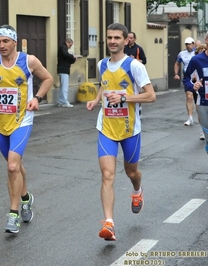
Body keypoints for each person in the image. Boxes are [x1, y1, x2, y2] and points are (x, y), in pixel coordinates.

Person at [0, 24, 53, 234]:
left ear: (14, 42)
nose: (1, 45)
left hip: (22, 120)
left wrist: (37, 98)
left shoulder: (29, 61)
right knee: (14, 165)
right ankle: (26, 198)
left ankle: (13, 214)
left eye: (5, 41)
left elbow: (48, 79)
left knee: (12, 166)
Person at [86, 23, 156, 241]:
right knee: (107, 174)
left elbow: (151, 95)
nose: (112, 41)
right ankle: (109, 223)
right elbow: (104, 84)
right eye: (109, 37)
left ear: (126, 40)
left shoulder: (135, 66)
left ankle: (137, 191)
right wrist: (97, 99)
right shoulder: (101, 64)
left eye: (117, 37)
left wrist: (125, 98)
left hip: (129, 128)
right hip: (106, 126)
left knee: (131, 172)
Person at [184, 32, 208, 148]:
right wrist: (192, 86)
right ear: (206, 40)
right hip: (203, 103)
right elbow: (186, 78)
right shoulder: (196, 60)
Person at [174, 37, 196, 126]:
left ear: (193, 44)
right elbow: (177, 63)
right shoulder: (182, 54)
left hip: (198, 78)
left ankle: (203, 120)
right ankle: (190, 118)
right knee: (189, 96)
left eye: (189, 44)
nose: (188, 46)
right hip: (187, 78)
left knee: (199, 100)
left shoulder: (198, 52)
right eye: (186, 44)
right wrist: (176, 73)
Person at [57, 38, 76, 107]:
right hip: (64, 70)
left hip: (62, 69)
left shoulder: (63, 48)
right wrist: (72, 56)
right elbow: (66, 55)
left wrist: (72, 59)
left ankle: (61, 101)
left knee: (62, 87)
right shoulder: (63, 47)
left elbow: (67, 58)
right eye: (70, 45)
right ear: (67, 42)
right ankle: (64, 102)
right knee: (64, 87)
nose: (70, 47)